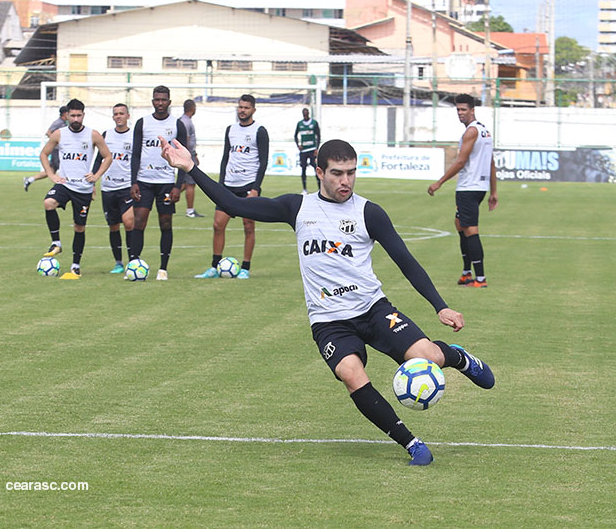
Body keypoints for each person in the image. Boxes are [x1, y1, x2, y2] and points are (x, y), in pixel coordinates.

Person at [161, 137, 495, 466]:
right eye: (337, 173)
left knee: (429, 357)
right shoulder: (297, 207)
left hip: (373, 309)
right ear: (320, 172)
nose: (345, 181)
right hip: (329, 321)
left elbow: (406, 261)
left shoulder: (369, 212)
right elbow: (235, 205)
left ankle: (458, 358)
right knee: (351, 373)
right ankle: (411, 443)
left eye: (351, 173)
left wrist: (440, 306)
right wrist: (191, 167)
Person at [195, 94, 268, 280]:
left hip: (248, 185)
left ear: (253, 110)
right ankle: (214, 266)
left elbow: (263, 161)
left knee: (248, 226)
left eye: (246, 108)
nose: (242, 110)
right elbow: (225, 158)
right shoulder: (231, 130)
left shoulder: (260, 130)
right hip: (228, 185)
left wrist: (256, 188)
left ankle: (245, 268)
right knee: (218, 225)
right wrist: (219, 185)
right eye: (240, 107)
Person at [427, 93, 497, 288]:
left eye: (463, 109)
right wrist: (493, 192)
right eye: (458, 109)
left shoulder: (471, 132)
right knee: (460, 225)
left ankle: (480, 278)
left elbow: (460, 161)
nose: (460, 113)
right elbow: (491, 162)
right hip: (479, 187)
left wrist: (439, 182)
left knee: (470, 230)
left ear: (472, 110)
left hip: (468, 187)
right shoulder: (485, 131)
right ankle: (467, 273)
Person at [39, 99, 112, 279]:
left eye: (79, 115)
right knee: (48, 203)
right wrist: (50, 174)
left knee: (79, 227)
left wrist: (96, 176)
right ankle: (56, 243)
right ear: (67, 116)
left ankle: (75, 266)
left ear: (83, 115)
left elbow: (108, 157)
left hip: (83, 188)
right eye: (73, 115)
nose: (76, 118)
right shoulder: (59, 134)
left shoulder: (93, 135)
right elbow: (43, 153)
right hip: (64, 184)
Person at [130, 85, 187, 281]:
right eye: (157, 99)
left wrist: (178, 186)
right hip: (144, 181)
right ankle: (134, 264)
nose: (160, 103)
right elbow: (136, 154)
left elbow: (184, 157)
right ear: (152, 101)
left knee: (165, 223)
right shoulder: (142, 123)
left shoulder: (177, 124)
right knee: (139, 221)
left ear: (169, 102)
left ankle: (163, 268)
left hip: (166, 182)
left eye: (163, 100)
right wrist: (133, 182)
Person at [92, 103, 135, 274]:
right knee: (113, 226)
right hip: (108, 187)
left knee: (129, 222)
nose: (119, 116)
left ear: (128, 116)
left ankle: (133, 260)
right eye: (116, 114)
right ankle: (118, 263)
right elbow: (98, 160)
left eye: (121, 113)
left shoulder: (134, 136)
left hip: (126, 187)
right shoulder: (106, 135)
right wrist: (93, 180)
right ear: (113, 117)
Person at [24, 105, 69, 191]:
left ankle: (30, 179)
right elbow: (48, 132)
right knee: (62, 168)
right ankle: (63, 187)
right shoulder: (58, 122)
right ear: (64, 113)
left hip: (59, 150)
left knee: (51, 171)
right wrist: (56, 142)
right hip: (57, 150)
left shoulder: (64, 123)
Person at [179, 99, 204, 218]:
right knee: (191, 184)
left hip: (186, 155)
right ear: (192, 108)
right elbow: (186, 140)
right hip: (187, 156)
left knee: (183, 183)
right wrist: (192, 155)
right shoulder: (186, 122)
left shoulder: (183, 120)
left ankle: (167, 198)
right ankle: (190, 211)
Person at [294, 107, 321, 194]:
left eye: (306, 114)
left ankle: (320, 188)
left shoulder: (314, 123)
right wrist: (298, 145)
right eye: (304, 114)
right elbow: (295, 135)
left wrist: (317, 148)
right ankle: (304, 189)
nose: (305, 116)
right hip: (303, 151)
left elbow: (318, 135)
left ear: (308, 114)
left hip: (312, 149)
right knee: (303, 169)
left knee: (316, 168)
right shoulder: (300, 124)